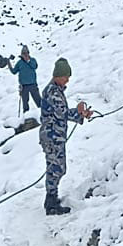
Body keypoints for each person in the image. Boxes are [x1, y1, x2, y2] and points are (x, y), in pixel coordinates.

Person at [39, 58, 93, 215]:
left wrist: (81, 114)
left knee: (58, 168)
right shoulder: (52, 92)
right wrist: (79, 112)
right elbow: (62, 113)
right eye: (66, 77)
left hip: (56, 136)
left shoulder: (55, 90)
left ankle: (52, 198)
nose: (67, 80)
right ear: (58, 76)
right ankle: (51, 203)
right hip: (52, 137)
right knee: (55, 169)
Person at [8, 45, 40, 113]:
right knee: (25, 104)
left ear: (29, 53)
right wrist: (9, 64)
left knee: (38, 101)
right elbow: (14, 71)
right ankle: (26, 118)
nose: (25, 55)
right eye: (24, 54)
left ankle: (43, 114)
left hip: (33, 85)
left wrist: (28, 61)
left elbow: (35, 66)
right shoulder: (19, 63)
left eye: (26, 53)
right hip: (24, 86)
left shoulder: (33, 60)